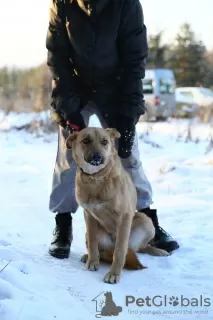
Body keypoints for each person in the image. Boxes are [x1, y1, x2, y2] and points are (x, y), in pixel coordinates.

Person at [46, 0, 179, 259]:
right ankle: (62, 227)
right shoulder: (62, 3)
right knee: (68, 158)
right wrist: (69, 110)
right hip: (75, 89)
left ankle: (147, 219)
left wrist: (128, 117)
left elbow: (134, 61)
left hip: (116, 90)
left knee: (128, 156)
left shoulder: (126, 4)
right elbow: (57, 57)